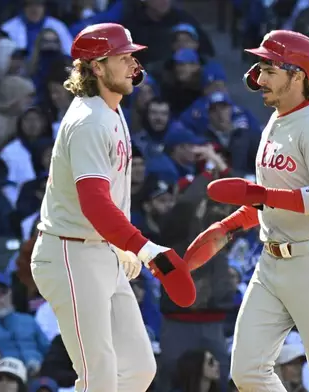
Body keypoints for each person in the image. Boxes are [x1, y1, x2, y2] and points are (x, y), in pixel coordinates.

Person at [184, 30, 309, 391]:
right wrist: (231, 226)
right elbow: (271, 200)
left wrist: (258, 193)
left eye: (269, 69)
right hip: (271, 261)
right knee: (247, 371)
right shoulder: (276, 121)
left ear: (297, 75)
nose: (259, 78)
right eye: (259, 68)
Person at [28, 23, 196, 392]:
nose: (132, 64)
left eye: (132, 56)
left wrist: (122, 246)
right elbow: (94, 204)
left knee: (137, 369)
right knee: (98, 377)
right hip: (70, 253)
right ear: (96, 67)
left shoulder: (112, 110)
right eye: (123, 57)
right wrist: (146, 248)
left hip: (101, 250)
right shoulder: (89, 119)